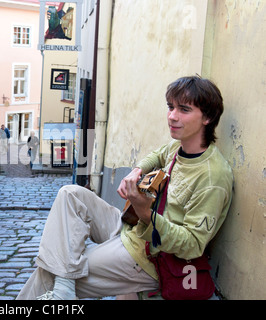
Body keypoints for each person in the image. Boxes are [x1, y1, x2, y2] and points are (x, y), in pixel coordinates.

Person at [16, 76, 233, 300]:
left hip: (148, 257)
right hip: (129, 225)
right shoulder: (177, 146)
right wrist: (136, 170)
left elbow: (193, 245)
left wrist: (146, 213)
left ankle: (62, 291)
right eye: (170, 107)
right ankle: (65, 289)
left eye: (184, 110)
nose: (172, 116)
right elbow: (157, 155)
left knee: (50, 273)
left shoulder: (212, 178)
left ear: (207, 117)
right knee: (70, 194)